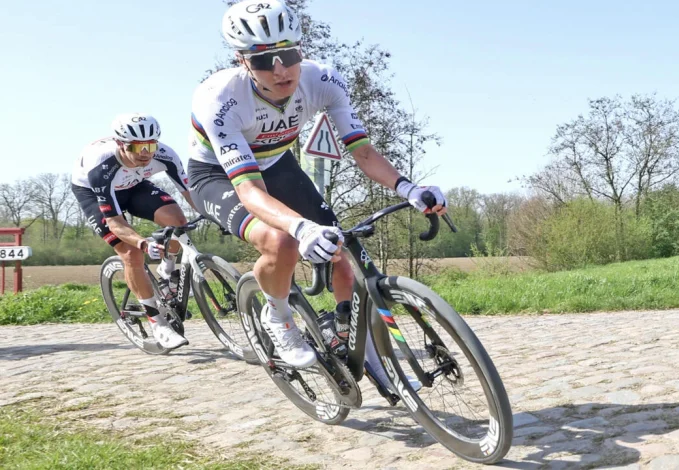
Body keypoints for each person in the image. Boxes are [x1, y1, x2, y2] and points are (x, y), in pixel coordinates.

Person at [187, 0, 447, 375]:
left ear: (301, 49)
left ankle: (346, 335)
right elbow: (250, 191)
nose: (280, 70)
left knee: (341, 252)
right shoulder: (220, 99)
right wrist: (301, 228)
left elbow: (363, 151)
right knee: (281, 242)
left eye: (289, 55)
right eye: (263, 60)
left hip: (277, 163)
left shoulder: (322, 80)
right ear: (242, 61)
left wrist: (408, 188)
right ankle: (278, 317)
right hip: (217, 176)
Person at [71, 113, 196, 350]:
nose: (145, 153)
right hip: (94, 192)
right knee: (132, 253)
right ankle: (156, 322)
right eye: (137, 147)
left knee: (178, 221)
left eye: (151, 145)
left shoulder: (165, 154)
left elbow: (192, 194)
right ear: (120, 143)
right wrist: (143, 243)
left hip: (133, 185)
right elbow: (115, 222)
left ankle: (167, 270)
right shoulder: (101, 165)